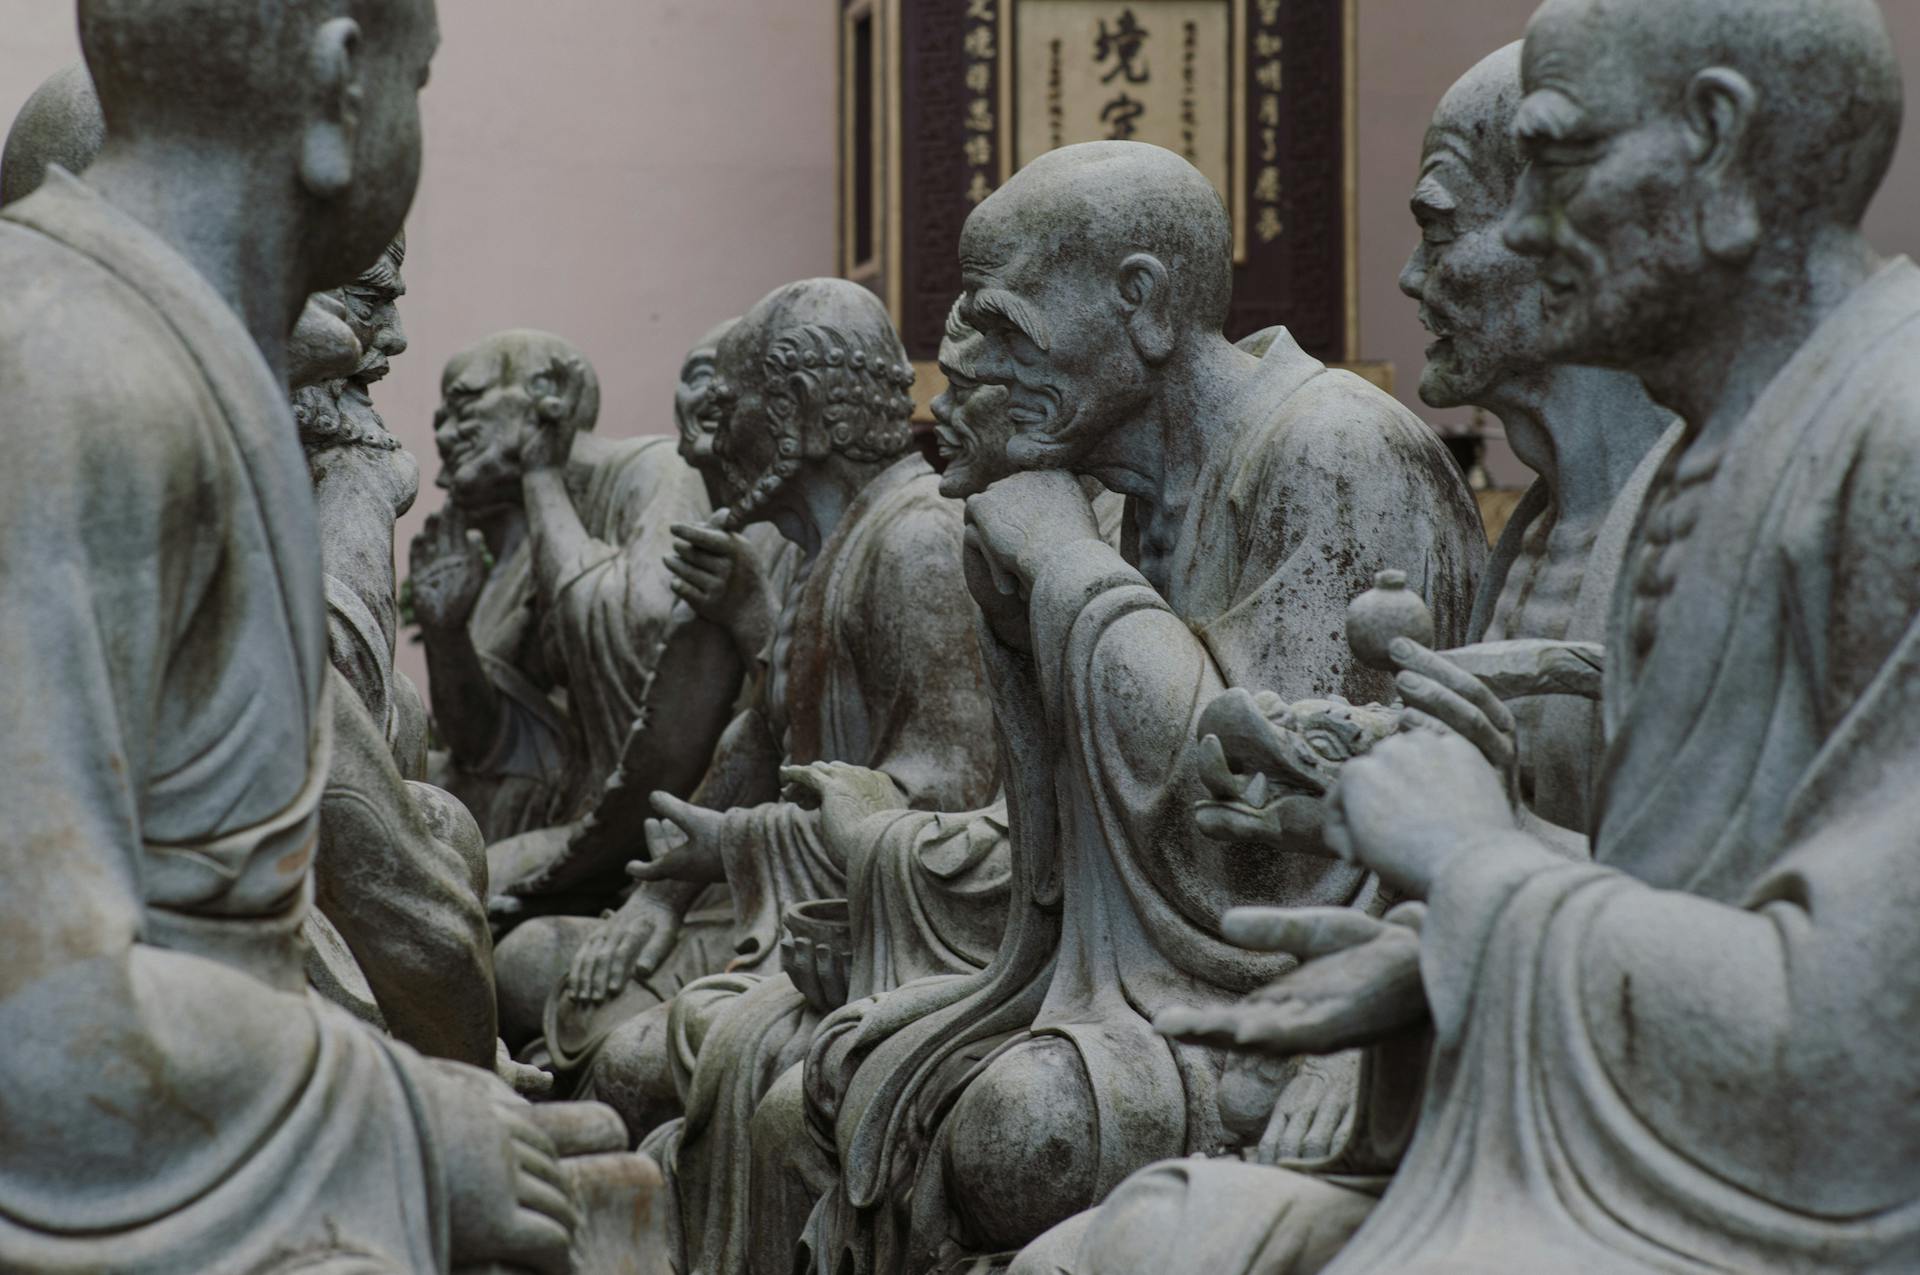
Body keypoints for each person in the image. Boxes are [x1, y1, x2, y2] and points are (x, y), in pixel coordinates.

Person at [803, 141, 1487, 1271]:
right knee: (834, 1076)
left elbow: (1277, 853)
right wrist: (1016, 591)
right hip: (1139, 985)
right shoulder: (1123, 494)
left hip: (1303, 1002)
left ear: (1142, 303)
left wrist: (1063, 566)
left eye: (1002, 325)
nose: (961, 362)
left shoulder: (1332, 449)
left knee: (1020, 1131)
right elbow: (1062, 846)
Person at [0, 0, 583, 1269]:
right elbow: (38, 1027)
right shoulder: (73, 373)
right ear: (339, 87)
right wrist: (409, 1124)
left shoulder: (187, 363)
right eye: (418, 84)